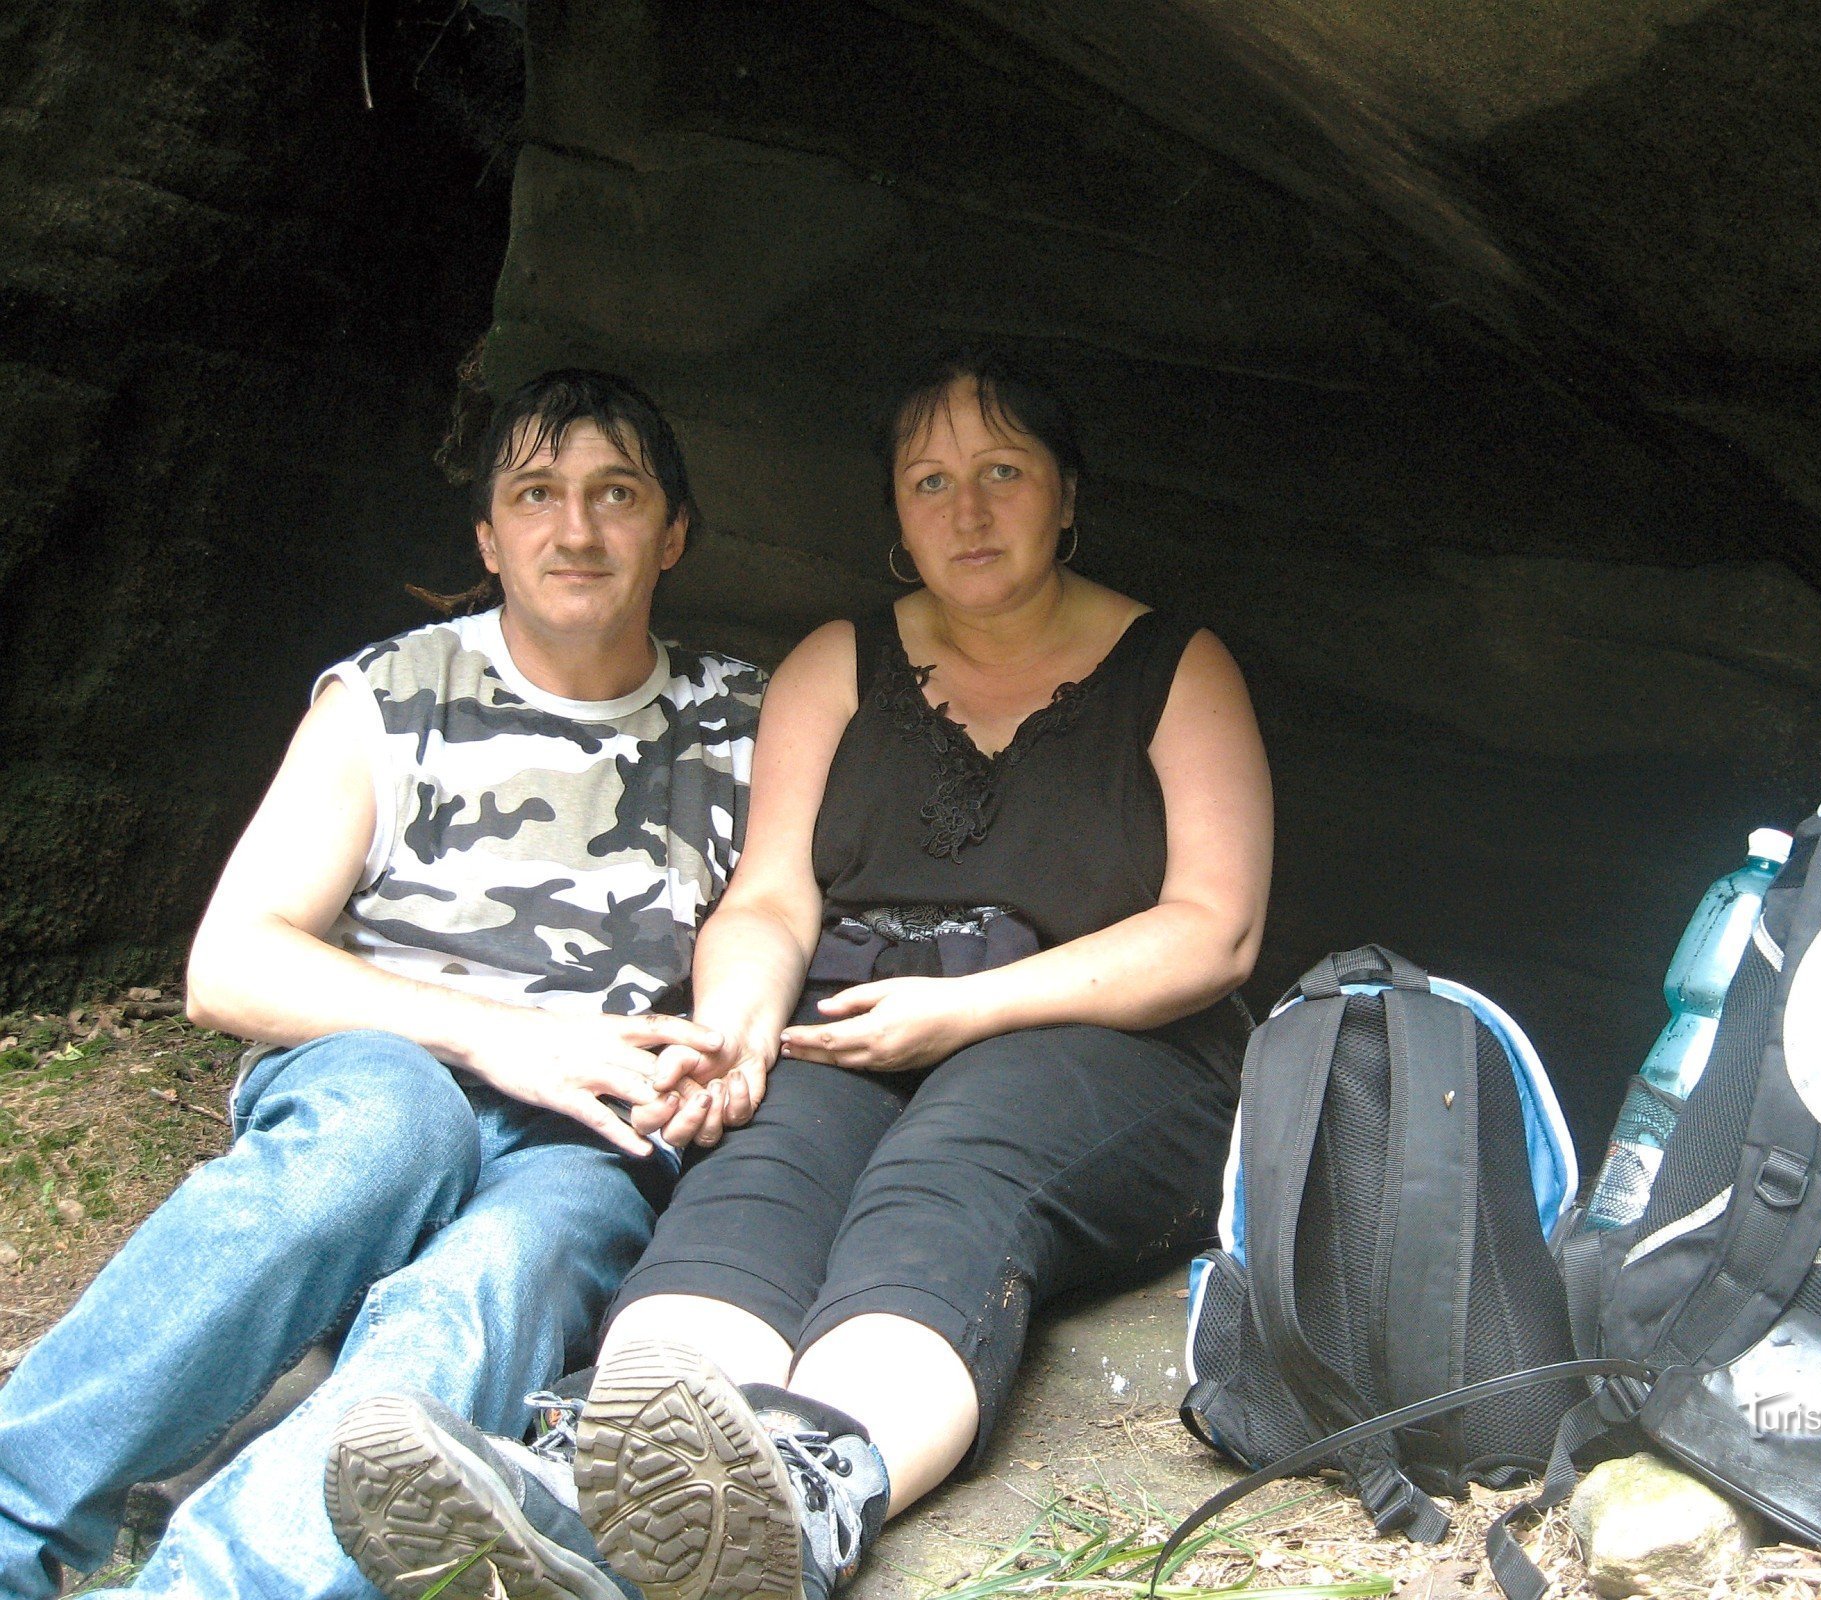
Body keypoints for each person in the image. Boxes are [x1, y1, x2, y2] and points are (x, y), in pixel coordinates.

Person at [329, 348, 1276, 1600]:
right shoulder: (842, 658)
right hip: (855, 1011)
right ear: (893, 512)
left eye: (1003, 472)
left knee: (947, 1177)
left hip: (1099, 1032)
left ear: (1067, 491)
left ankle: (810, 1491)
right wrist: (737, 1028)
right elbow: (770, 893)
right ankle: (599, 1476)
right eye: (930, 481)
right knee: (755, 1177)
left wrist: (965, 1010)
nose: (969, 511)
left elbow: (1217, 930)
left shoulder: (1176, 664)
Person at [0, 368, 765, 1600]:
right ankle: (13, 1510)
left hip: (597, 1124)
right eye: (537, 495)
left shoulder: (743, 721)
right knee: (389, 1131)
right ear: (489, 538)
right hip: (377, 1063)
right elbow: (230, 960)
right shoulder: (390, 696)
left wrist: (729, 1040)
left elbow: (764, 919)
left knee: (510, 1262)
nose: (575, 530)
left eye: (615, 494)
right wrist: (499, 1040)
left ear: (672, 533)